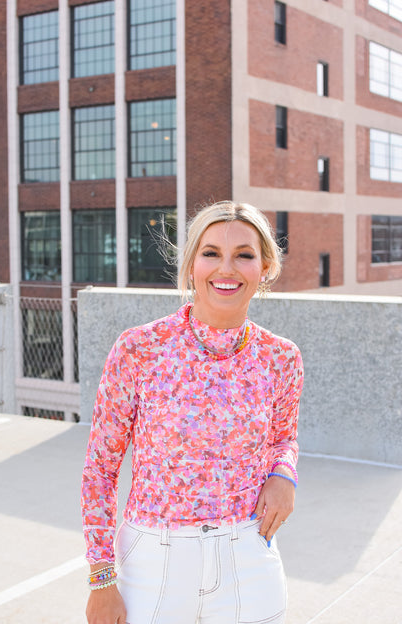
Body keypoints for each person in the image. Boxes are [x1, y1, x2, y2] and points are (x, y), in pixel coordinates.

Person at [81, 201, 304, 624]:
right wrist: (101, 577)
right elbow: (100, 468)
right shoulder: (139, 349)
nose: (227, 269)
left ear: (266, 267)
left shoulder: (281, 357)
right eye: (210, 253)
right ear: (190, 266)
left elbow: (283, 438)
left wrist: (283, 474)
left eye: (244, 254)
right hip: (153, 563)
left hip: (249, 555)